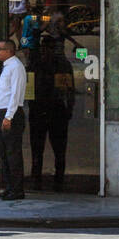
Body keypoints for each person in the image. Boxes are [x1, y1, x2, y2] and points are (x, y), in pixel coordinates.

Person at [29, 34, 75, 190]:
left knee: (59, 148)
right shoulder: (35, 65)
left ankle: (58, 179)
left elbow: (69, 90)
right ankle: (37, 179)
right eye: (43, 47)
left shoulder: (61, 65)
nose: (45, 51)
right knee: (37, 148)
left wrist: (69, 109)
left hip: (56, 111)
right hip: (39, 110)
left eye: (48, 48)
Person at [0, 38, 27, 201]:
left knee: (13, 153)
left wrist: (8, 116)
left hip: (10, 114)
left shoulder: (16, 67)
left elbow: (16, 94)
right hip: (2, 113)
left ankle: (17, 189)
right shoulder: (7, 67)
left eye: (0, 49)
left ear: (9, 51)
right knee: (4, 153)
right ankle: (8, 186)